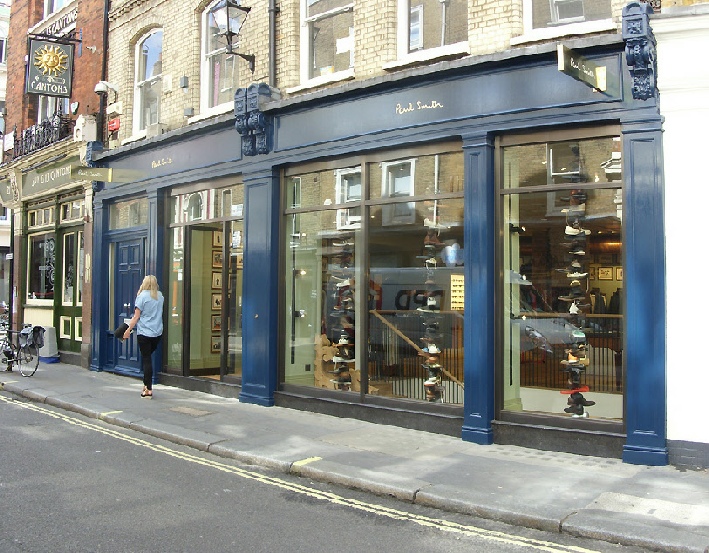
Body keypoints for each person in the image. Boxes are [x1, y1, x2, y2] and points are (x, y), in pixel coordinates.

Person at [124, 275, 164, 398]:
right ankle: (146, 386)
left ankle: (148, 389)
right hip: (157, 333)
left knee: (146, 360)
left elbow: (136, 317)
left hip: (145, 333)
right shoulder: (160, 296)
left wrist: (127, 330)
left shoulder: (141, 297)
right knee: (148, 359)